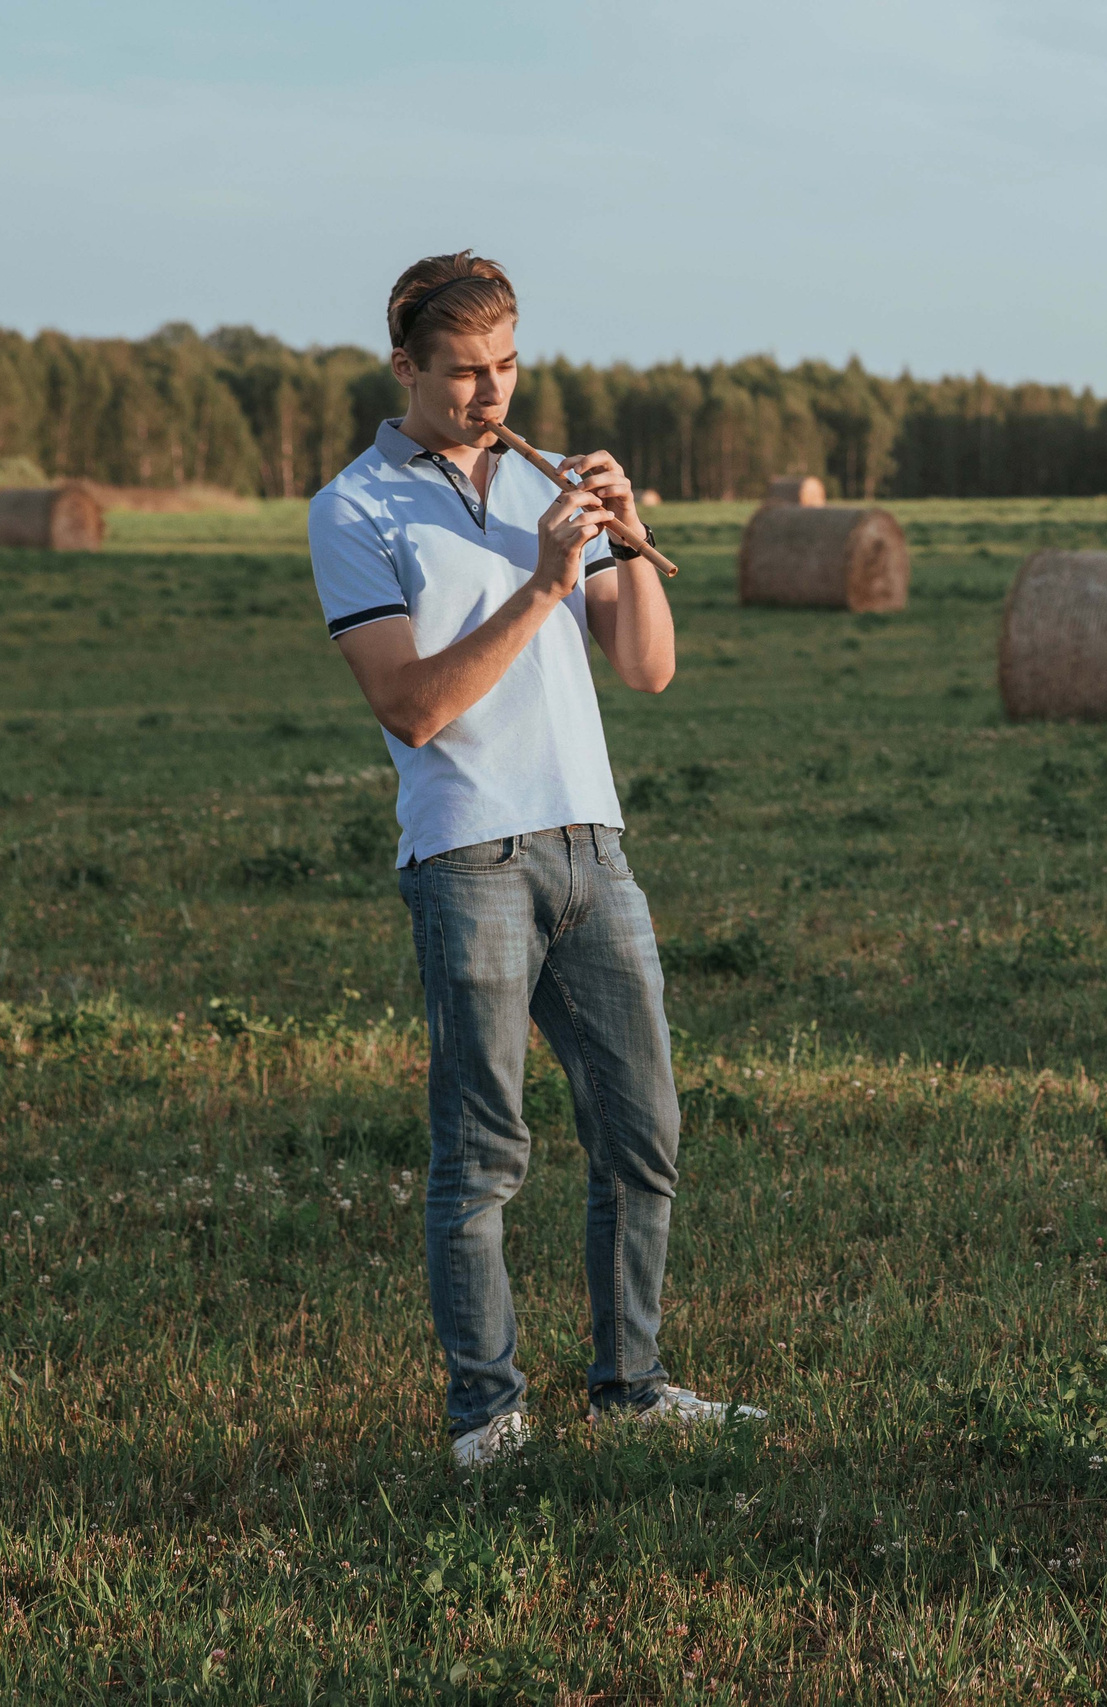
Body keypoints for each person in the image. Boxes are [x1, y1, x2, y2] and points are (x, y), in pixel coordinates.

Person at [306, 250, 758, 1471]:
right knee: (484, 1155)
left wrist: (628, 540)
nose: (492, 394)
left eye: (507, 365)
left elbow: (647, 669)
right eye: (464, 372)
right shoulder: (352, 509)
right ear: (404, 368)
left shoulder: (545, 478)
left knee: (643, 1134)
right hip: (468, 854)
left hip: (591, 842)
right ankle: (486, 1418)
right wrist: (547, 579)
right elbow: (411, 707)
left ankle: (633, 1390)